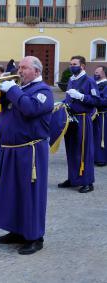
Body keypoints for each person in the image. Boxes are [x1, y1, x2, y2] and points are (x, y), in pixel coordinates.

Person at [0, 56, 54, 255]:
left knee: (30, 193)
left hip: (30, 150)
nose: (20, 70)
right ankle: (16, 230)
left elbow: (30, 108)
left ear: (36, 71)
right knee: (11, 192)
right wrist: (0, 92)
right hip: (10, 149)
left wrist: (13, 90)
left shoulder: (43, 90)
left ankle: (35, 236)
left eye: (24, 67)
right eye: (19, 67)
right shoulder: (20, 89)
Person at [58, 56, 100, 193]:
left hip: (82, 119)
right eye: (70, 64)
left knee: (84, 151)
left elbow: (96, 100)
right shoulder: (71, 79)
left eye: (74, 64)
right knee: (71, 149)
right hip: (70, 118)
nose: (71, 66)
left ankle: (88, 182)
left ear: (82, 65)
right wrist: (63, 102)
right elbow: (70, 97)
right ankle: (73, 178)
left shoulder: (89, 81)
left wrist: (81, 96)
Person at [93, 66, 107, 166]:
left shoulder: (105, 85)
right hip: (95, 115)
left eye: (97, 72)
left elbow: (105, 100)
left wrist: (92, 100)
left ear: (103, 73)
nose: (95, 74)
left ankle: (101, 158)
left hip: (103, 115)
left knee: (101, 137)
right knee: (95, 137)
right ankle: (94, 157)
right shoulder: (95, 84)